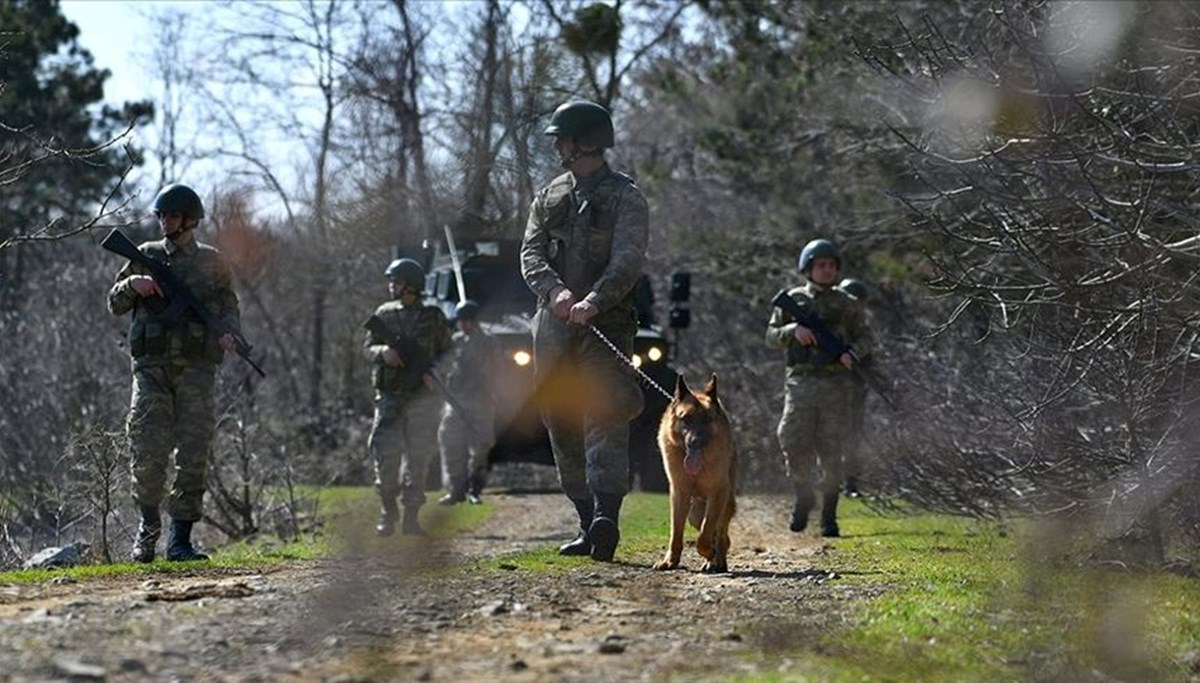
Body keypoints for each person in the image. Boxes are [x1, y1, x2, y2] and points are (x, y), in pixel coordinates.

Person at [520, 99, 649, 562]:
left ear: (582, 142)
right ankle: (584, 521)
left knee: (605, 414)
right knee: (560, 419)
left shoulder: (626, 197)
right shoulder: (550, 195)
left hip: (607, 325)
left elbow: (628, 260)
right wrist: (555, 293)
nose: (557, 146)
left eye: (563, 139)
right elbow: (530, 253)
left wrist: (594, 300)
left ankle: (606, 519)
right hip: (553, 327)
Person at [107, 183, 242, 563]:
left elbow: (229, 308)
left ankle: (180, 540)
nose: (166, 221)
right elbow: (114, 303)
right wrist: (132, 284)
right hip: (151, 371)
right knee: (147, 450)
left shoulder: (213, 262)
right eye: (162, 215)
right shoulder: (144, 255)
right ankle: (147, 533)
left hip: (198, 371)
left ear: (191, 220)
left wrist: (231, 335)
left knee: (194, 453)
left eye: (173, 216)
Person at [765, 239, 873, 538]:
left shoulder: (847, 304)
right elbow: (771, 336)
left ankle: (829, 516)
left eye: (831, 265)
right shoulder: (794, 299)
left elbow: (866, 338)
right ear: (808, 268)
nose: (826, 270)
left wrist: (852, 353)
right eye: (820, 265)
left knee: (831, 450)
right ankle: (803, 494)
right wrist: (793, 331)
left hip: (836, 385)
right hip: (801, 381)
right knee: (792, 439)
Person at [363, 258, 452, 537]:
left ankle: (411, 517)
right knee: (385, 457)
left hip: (422, 399)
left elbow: (448, 353)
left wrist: (434, 373)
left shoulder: (433, 317)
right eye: (392, 281)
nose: (392, 286)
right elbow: (367, 349)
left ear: (412, 285)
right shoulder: (384, 314)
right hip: (389, 397)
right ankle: (388, 512)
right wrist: (383, 354)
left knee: (419, 458)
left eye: (397, 281)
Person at [437, 300, 498, 506]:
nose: (463, 325)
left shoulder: (488, 342)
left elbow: (498, 370)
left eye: (467, 321)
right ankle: (456, 489)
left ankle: (475, 489)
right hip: (456, 400)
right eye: (461, 321)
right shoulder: (454, 341)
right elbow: (443, 365)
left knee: (481, 447)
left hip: (481, 400)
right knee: (449, 441)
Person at [836, 277, 871, 497]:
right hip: (830, 388)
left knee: (853, 437)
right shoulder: (834, 325)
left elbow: (868, 352)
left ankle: (851, 483)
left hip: (855, 389)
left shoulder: (862, 329)